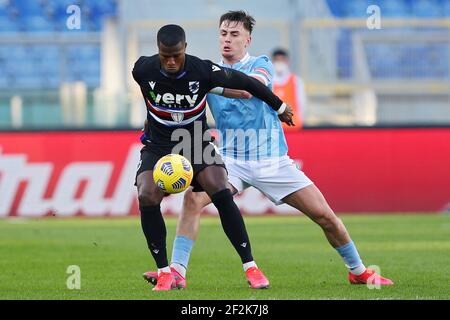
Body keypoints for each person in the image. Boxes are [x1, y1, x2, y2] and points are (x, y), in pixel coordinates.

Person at [143, 11, 394, 289]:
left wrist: (210, 82)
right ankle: (177, 271)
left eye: (234, 34)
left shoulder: (260, 64)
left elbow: (254, 88)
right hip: (231, 160)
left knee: (324, 215)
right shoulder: (205, 72)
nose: (227, 40)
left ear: (247, 40)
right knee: (192, 201)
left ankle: (357, 270)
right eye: (223, 34)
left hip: (271, 160)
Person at [133, 24, 294, 291]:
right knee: (146, 195)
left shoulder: (203, 70)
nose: (171, 61)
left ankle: (251, 267)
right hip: (159, 146)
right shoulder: (142, 69)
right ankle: (165, 272)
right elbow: (150, 97)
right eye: (165, 56)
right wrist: (149, 123)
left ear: (185, 48)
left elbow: (244, 82)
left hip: (195, 142)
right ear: (158, 51)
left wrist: (279, 106)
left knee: (220, 190)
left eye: (176, 55)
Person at [271, 48, 307, 130]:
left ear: (287, 61)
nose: (279, 63)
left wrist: (301, 120)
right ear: (272, 61)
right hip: (274, 128)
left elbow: (302, 104)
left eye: (282, 60)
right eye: (277, 60)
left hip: (293, 127)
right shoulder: (268, 81)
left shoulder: (296, 81)